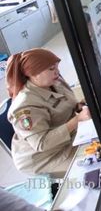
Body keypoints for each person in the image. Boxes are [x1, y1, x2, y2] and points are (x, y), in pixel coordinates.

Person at [6, 48, 91, 178]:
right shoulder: (24, 107)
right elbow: (42, 143)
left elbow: (66, 104)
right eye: (51, 69)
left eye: (57, 67)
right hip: (45, 158)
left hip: (67, 139)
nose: (57, 72)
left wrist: (80, 106)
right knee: (92, 164)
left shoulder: (55, 81)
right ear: (32, 73)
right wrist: (77, 120)